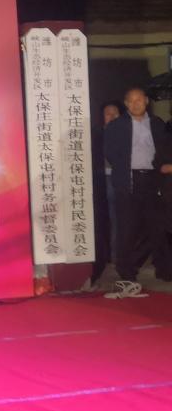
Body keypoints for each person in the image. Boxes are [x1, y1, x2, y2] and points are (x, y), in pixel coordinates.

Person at [103, 86, 172, 293]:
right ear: (126, 104)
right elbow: (110, 152)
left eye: (139, 100)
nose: (135, 104)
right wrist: (125, 169)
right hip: (129, 181)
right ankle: (126, 271)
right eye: (131, 101)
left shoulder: (157, 124)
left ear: (146, 101)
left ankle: (164, 269)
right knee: (127, 229)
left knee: (157, 227)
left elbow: (164, 150)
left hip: (153, 180)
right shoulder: (117, 126)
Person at [90, 101, 122, 283]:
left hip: (118, 180)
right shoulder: (96, 133)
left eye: (115, 113)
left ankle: (115, 256)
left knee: (117, 219)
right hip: (99, 181)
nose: (111, 116)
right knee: (103, 219)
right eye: (108, 113)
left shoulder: (125, 133)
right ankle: (104, 257)